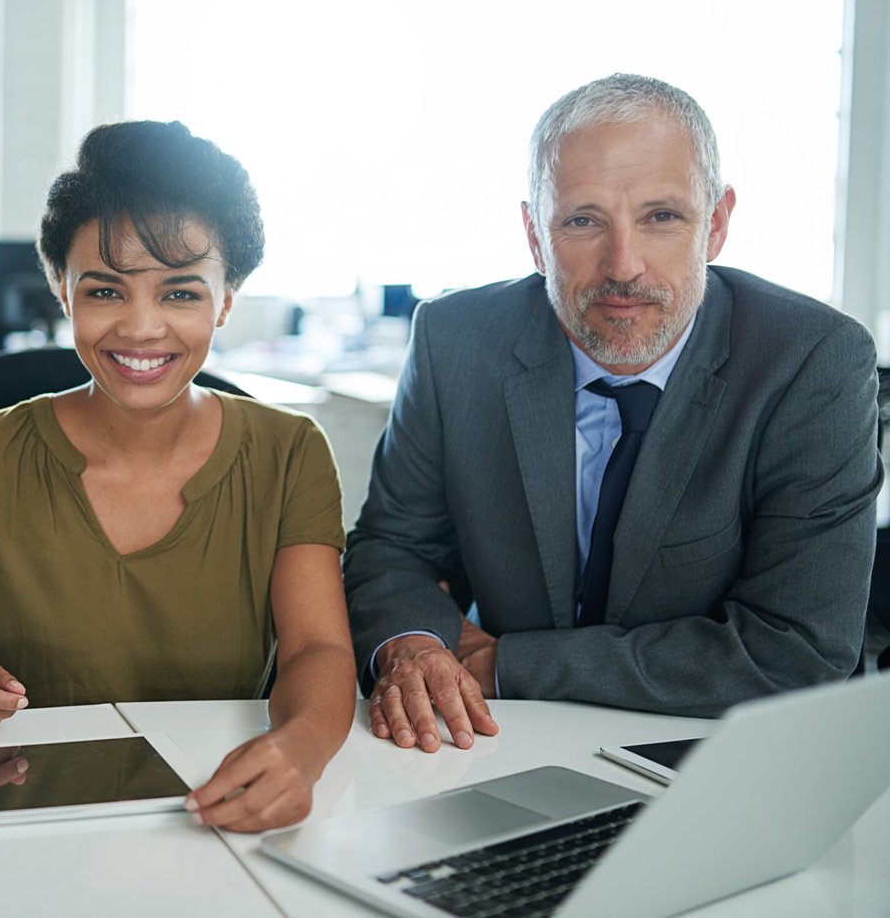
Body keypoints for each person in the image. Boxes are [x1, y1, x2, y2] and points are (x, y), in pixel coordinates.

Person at [346, 72, 880, 753]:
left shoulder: (812, 362)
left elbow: (797, 650)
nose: (623, 266)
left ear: (714, 225)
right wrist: (415, 648)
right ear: (536, 237)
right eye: (583, 220)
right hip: (487, 743)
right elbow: (394, 545)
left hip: (715, 755)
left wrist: (503, 663)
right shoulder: (455, 340)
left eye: (662, 216)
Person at [0, 121, 356, 832]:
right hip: (17, 826)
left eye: (180, 294)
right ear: (61, 289)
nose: (142, 328)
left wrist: (297, 752)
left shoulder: (289, 451)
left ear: (227, 299)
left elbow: (316, 649)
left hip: (209, 813)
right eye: (106, 292)